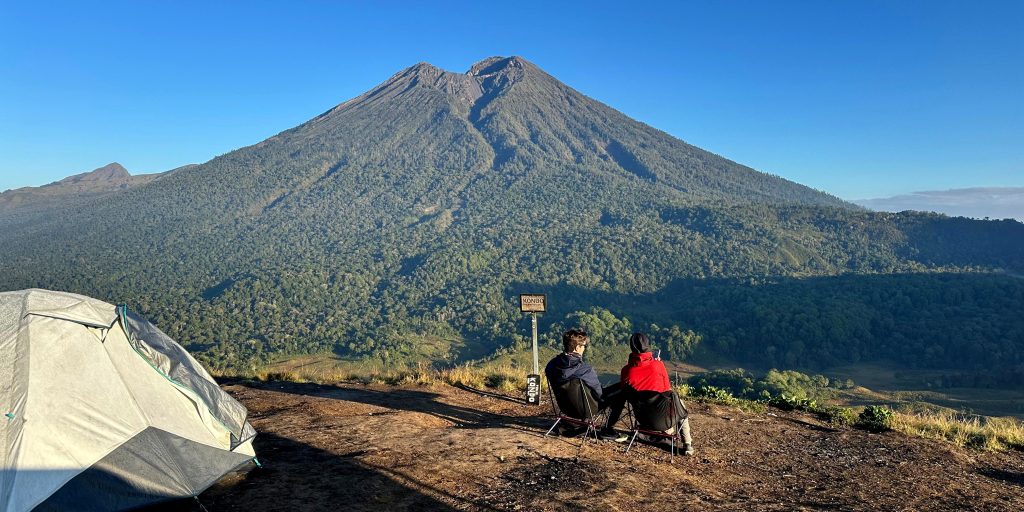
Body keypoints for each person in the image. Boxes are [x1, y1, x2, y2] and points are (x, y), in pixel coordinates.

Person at [544, 328, 628, 441]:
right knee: (622, 389)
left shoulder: (551, 365)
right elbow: (599, 395)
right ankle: (608, 429)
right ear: (577, 347)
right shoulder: (585, 370)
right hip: (587, 410)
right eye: (583, 346)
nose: (584, 348)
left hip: (565, 407)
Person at [620, 332, 695, 456]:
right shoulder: (657, 365)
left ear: (631, 347)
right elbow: (667, 390)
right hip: (663, 421)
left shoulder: (626, 371)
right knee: (679, 402)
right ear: (647, 346)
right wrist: (657, 365)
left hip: (642, 419)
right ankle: (687, 444)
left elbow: (625, 393)